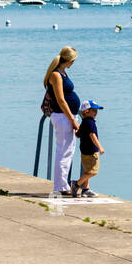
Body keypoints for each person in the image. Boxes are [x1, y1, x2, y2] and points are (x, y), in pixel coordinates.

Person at [42, 46, 80, 196]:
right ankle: (59, 186)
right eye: (73, 61)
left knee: (68, 151)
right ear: (69, 60)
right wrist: (72, 119)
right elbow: (61, 100)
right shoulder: (56, 75)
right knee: (62, 150)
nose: (73, 63)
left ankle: (63, 184)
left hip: (67, 116)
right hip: (62, 116)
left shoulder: (63, 73)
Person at [71, 100, 104, 197]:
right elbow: (93, 136)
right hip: (91, 151)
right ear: (86, 112)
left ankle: (85, 189)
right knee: (93, 171)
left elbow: (77, 135)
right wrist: (100, 147)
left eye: (96, 110)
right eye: (93, 110)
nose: (96, 112)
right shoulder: (91, 123)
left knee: (87, 171)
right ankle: (76, 184)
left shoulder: (84, 122)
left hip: (84, 152)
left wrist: (76, 128)